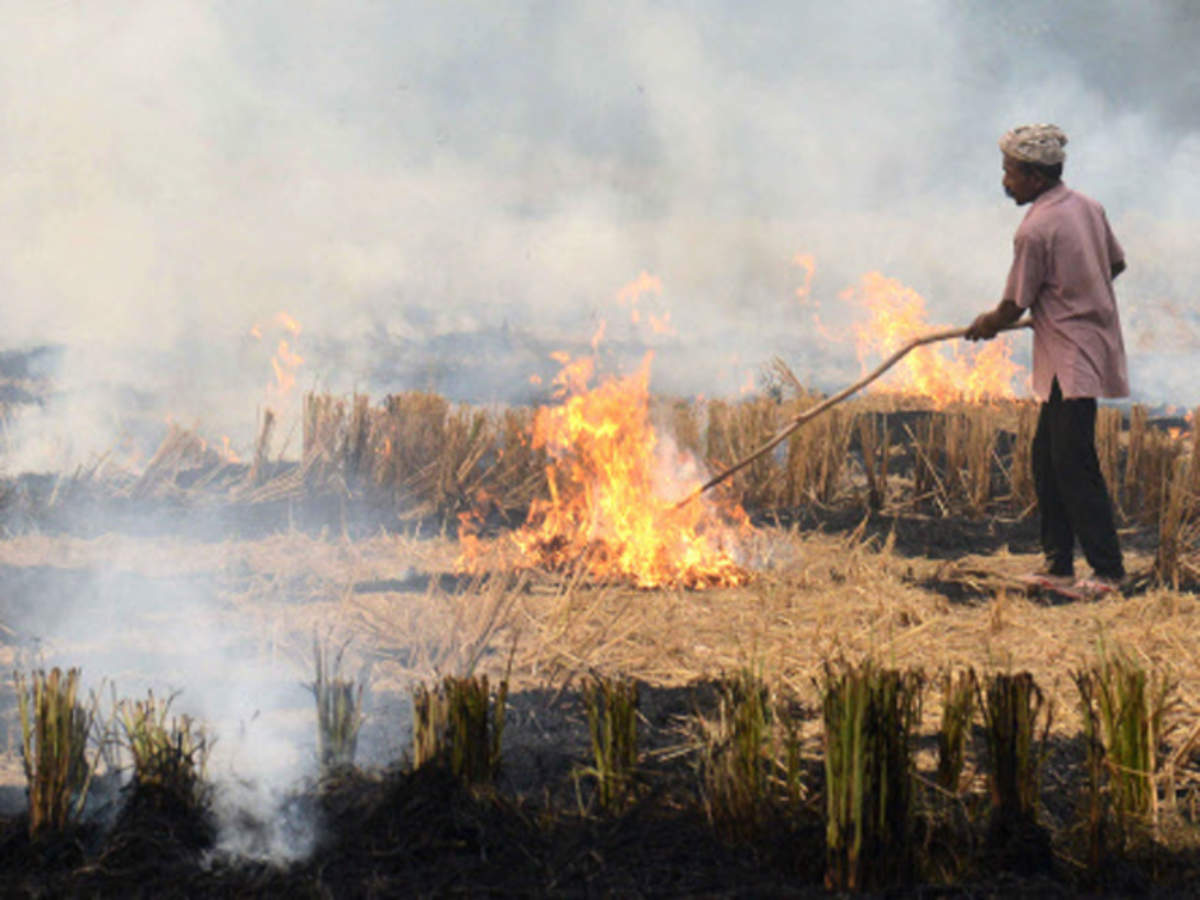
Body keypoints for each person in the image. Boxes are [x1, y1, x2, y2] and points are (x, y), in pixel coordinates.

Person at [966, 123, 1128, 597]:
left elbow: (1014, 304)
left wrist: (987, 324)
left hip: (1073, 355)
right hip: (1076, 347)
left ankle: (1108, 574)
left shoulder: (1035, 228)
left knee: (1073, 462)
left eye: (1010, 172)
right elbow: (1114, 264)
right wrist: (1078, 293)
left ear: (1036, 176)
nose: (1005, 181)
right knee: (1046, 459)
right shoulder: (1088, 207)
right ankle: (1058, 566)